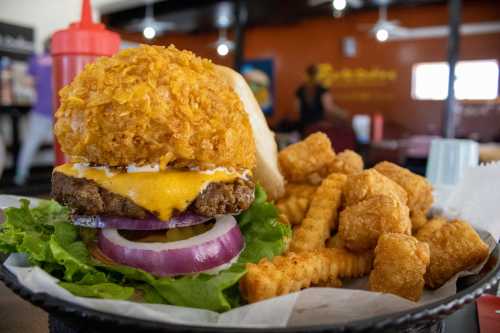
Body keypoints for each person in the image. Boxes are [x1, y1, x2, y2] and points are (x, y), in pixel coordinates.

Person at [14, 38, 53, 185]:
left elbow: (27, 82)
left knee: (30, 144)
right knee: (61, 148)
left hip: (45, 111)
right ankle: (20, 175)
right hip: (51, 112)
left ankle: (20, 176)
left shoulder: (36, 60)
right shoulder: (60, 59)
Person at [295, 64, 347, 134]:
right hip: (319, 125)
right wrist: (343, 114)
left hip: (304, 125)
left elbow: (297, 108)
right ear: (318, 75)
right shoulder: (322, 89)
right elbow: (329, 108)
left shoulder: (301, 90)